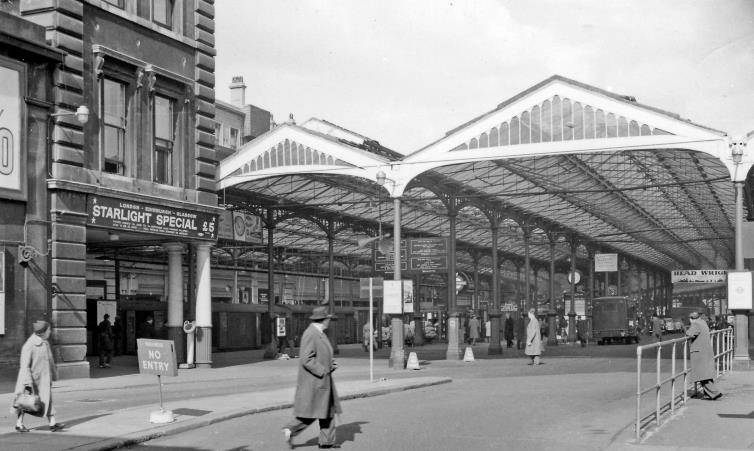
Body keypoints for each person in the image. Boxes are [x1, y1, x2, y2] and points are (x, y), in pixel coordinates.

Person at [282, 306, 342, 449]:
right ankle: (291, 429)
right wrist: (323, 370)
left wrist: (330, 364)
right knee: (315, 412)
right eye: (328, 319)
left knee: (327, 411)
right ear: (324, 319)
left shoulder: (319, 333)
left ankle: (326, 442)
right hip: (315, 381)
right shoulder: (311, 334)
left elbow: (320, 355)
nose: (329, 321)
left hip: (320, 380)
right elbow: (306, 359)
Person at [12, 320, 64, 432]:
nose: (50, 332)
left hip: (44, 379)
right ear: (42, 332)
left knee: (48, 400)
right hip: (32, 380)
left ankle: (52, 423)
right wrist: (27, 382)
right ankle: (19, 424)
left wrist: (53, 375)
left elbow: (50, 361)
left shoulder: (45, 343)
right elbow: (24, 365)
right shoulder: (29, 345)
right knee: (25, 402)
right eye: (49, 330)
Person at [686, 311, 723, 400]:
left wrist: (687, 329)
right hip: (706, 352)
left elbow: (689, 333)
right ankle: (708, 393)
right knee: (705, 375)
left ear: (691, 319)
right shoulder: (703, 322)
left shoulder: (696, 324)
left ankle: (714, 393)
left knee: (702, 375)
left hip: (700, 353)